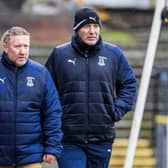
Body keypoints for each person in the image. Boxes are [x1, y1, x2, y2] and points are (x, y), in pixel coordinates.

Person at [45, 7, 137, 168]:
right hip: (68, 138)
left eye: (96, 26)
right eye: (87, 26)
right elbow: (46, 91)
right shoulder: (59, 54)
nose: (92, 31)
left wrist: (115, 111)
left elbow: (129, 84)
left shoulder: (114, 54)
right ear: (77, 29)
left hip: (102, 138)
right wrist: (57, 118)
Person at [0, 26, 63, 168]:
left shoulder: (41, 73)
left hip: (31, 157)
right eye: (17, 46)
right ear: (5, 47)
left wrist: (52, 147)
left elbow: (52, 112)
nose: (22, 51)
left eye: (26, 46)